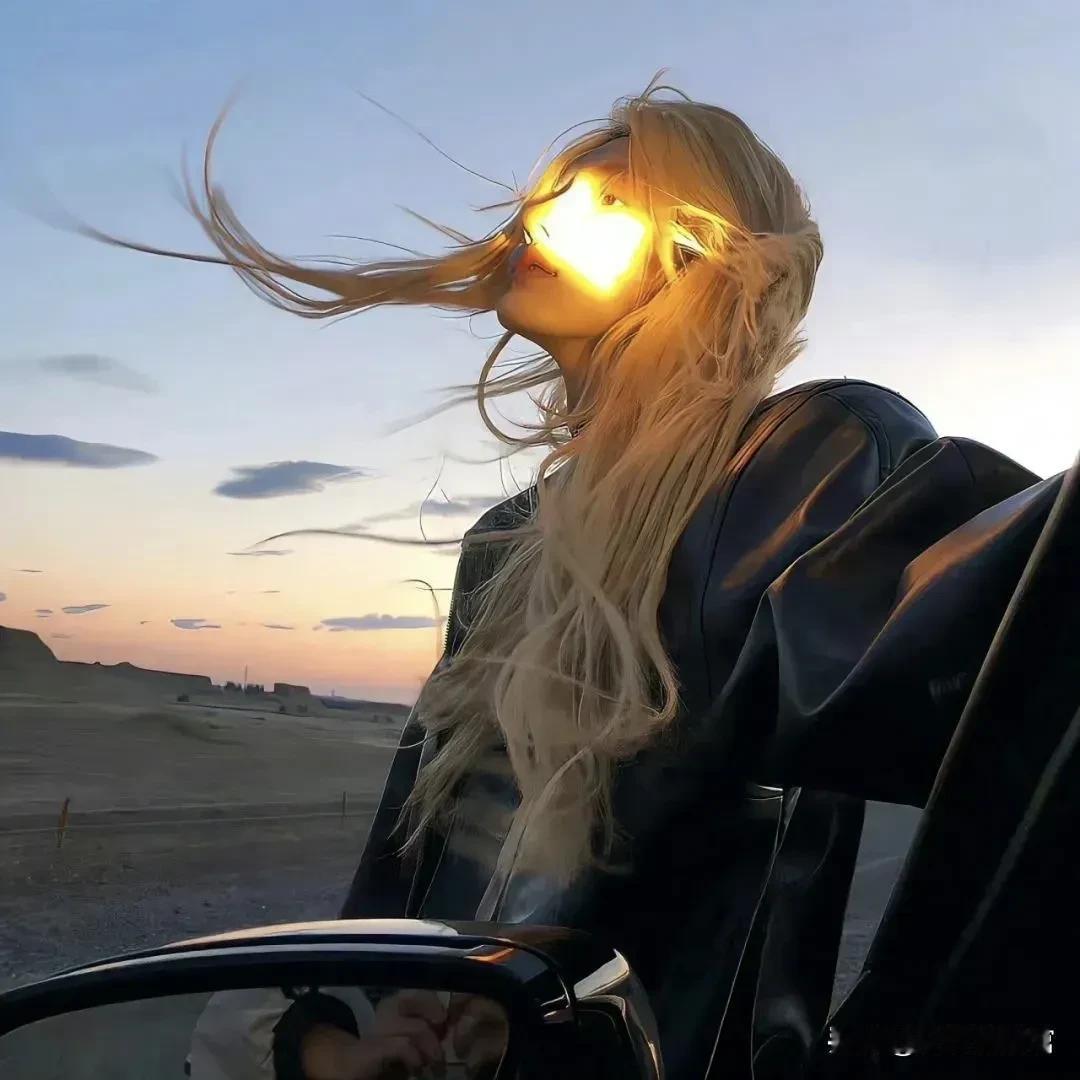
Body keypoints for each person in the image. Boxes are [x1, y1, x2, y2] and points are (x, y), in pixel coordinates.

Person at [70, 75, 1067, 1080]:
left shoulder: (801, 468)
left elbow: (1014, 649)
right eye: (544, 198)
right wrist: (337, 1038)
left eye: (606, 203)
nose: (539, 224)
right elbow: (403, 865)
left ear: (705, 260)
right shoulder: (503, 546)